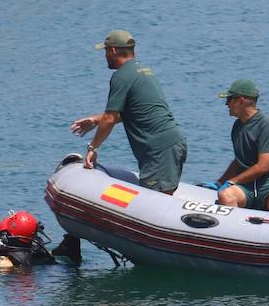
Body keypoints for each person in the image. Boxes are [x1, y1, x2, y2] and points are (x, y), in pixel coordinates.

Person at [71, 30, 187, 192]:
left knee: (153, 205)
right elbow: (136, 112)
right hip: (174, 142)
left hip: (159, 151)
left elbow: (110, 119)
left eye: (105, 51)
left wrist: (92, 148)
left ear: (113, 51)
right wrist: (96, 120)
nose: (104, 56)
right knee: (162, 198)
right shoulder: (144, 71)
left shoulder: (121, 76)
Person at [216, 80, 269, 212]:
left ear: (241, 100)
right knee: (226, 196)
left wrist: (233, 181)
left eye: (229, 99)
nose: (226, 104)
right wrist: (220, 182)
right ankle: (237, 230)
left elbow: (263, 167)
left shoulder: (267, 125)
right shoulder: (237, 126)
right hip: (248, 185)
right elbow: (239, 161)